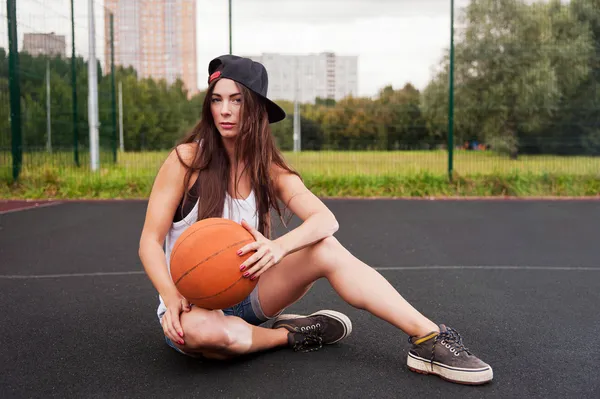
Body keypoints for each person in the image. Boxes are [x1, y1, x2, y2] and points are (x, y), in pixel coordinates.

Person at [138, 55, 493, 385]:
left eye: (237, 100)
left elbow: (325, 219)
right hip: (190, 306)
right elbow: (150, 242)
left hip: (251, 294)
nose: (225, 111)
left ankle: (428, 338)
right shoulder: (188, 160)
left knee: (327, 248)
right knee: (209, 336)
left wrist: (279, 248)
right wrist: (170, 297)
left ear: (256, 108)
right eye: (217, 100)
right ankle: (290, 335)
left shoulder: (268, 169)